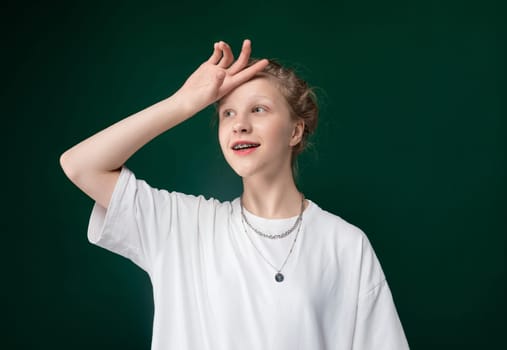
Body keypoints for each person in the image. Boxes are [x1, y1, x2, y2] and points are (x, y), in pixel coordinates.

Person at [60, 39, 409, 350]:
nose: (240, 123)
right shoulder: (180, 225)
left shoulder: (345, 244)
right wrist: (183, 103)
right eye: (228, 113)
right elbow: (80, 165)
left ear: (295, 131)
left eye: (258, 109)